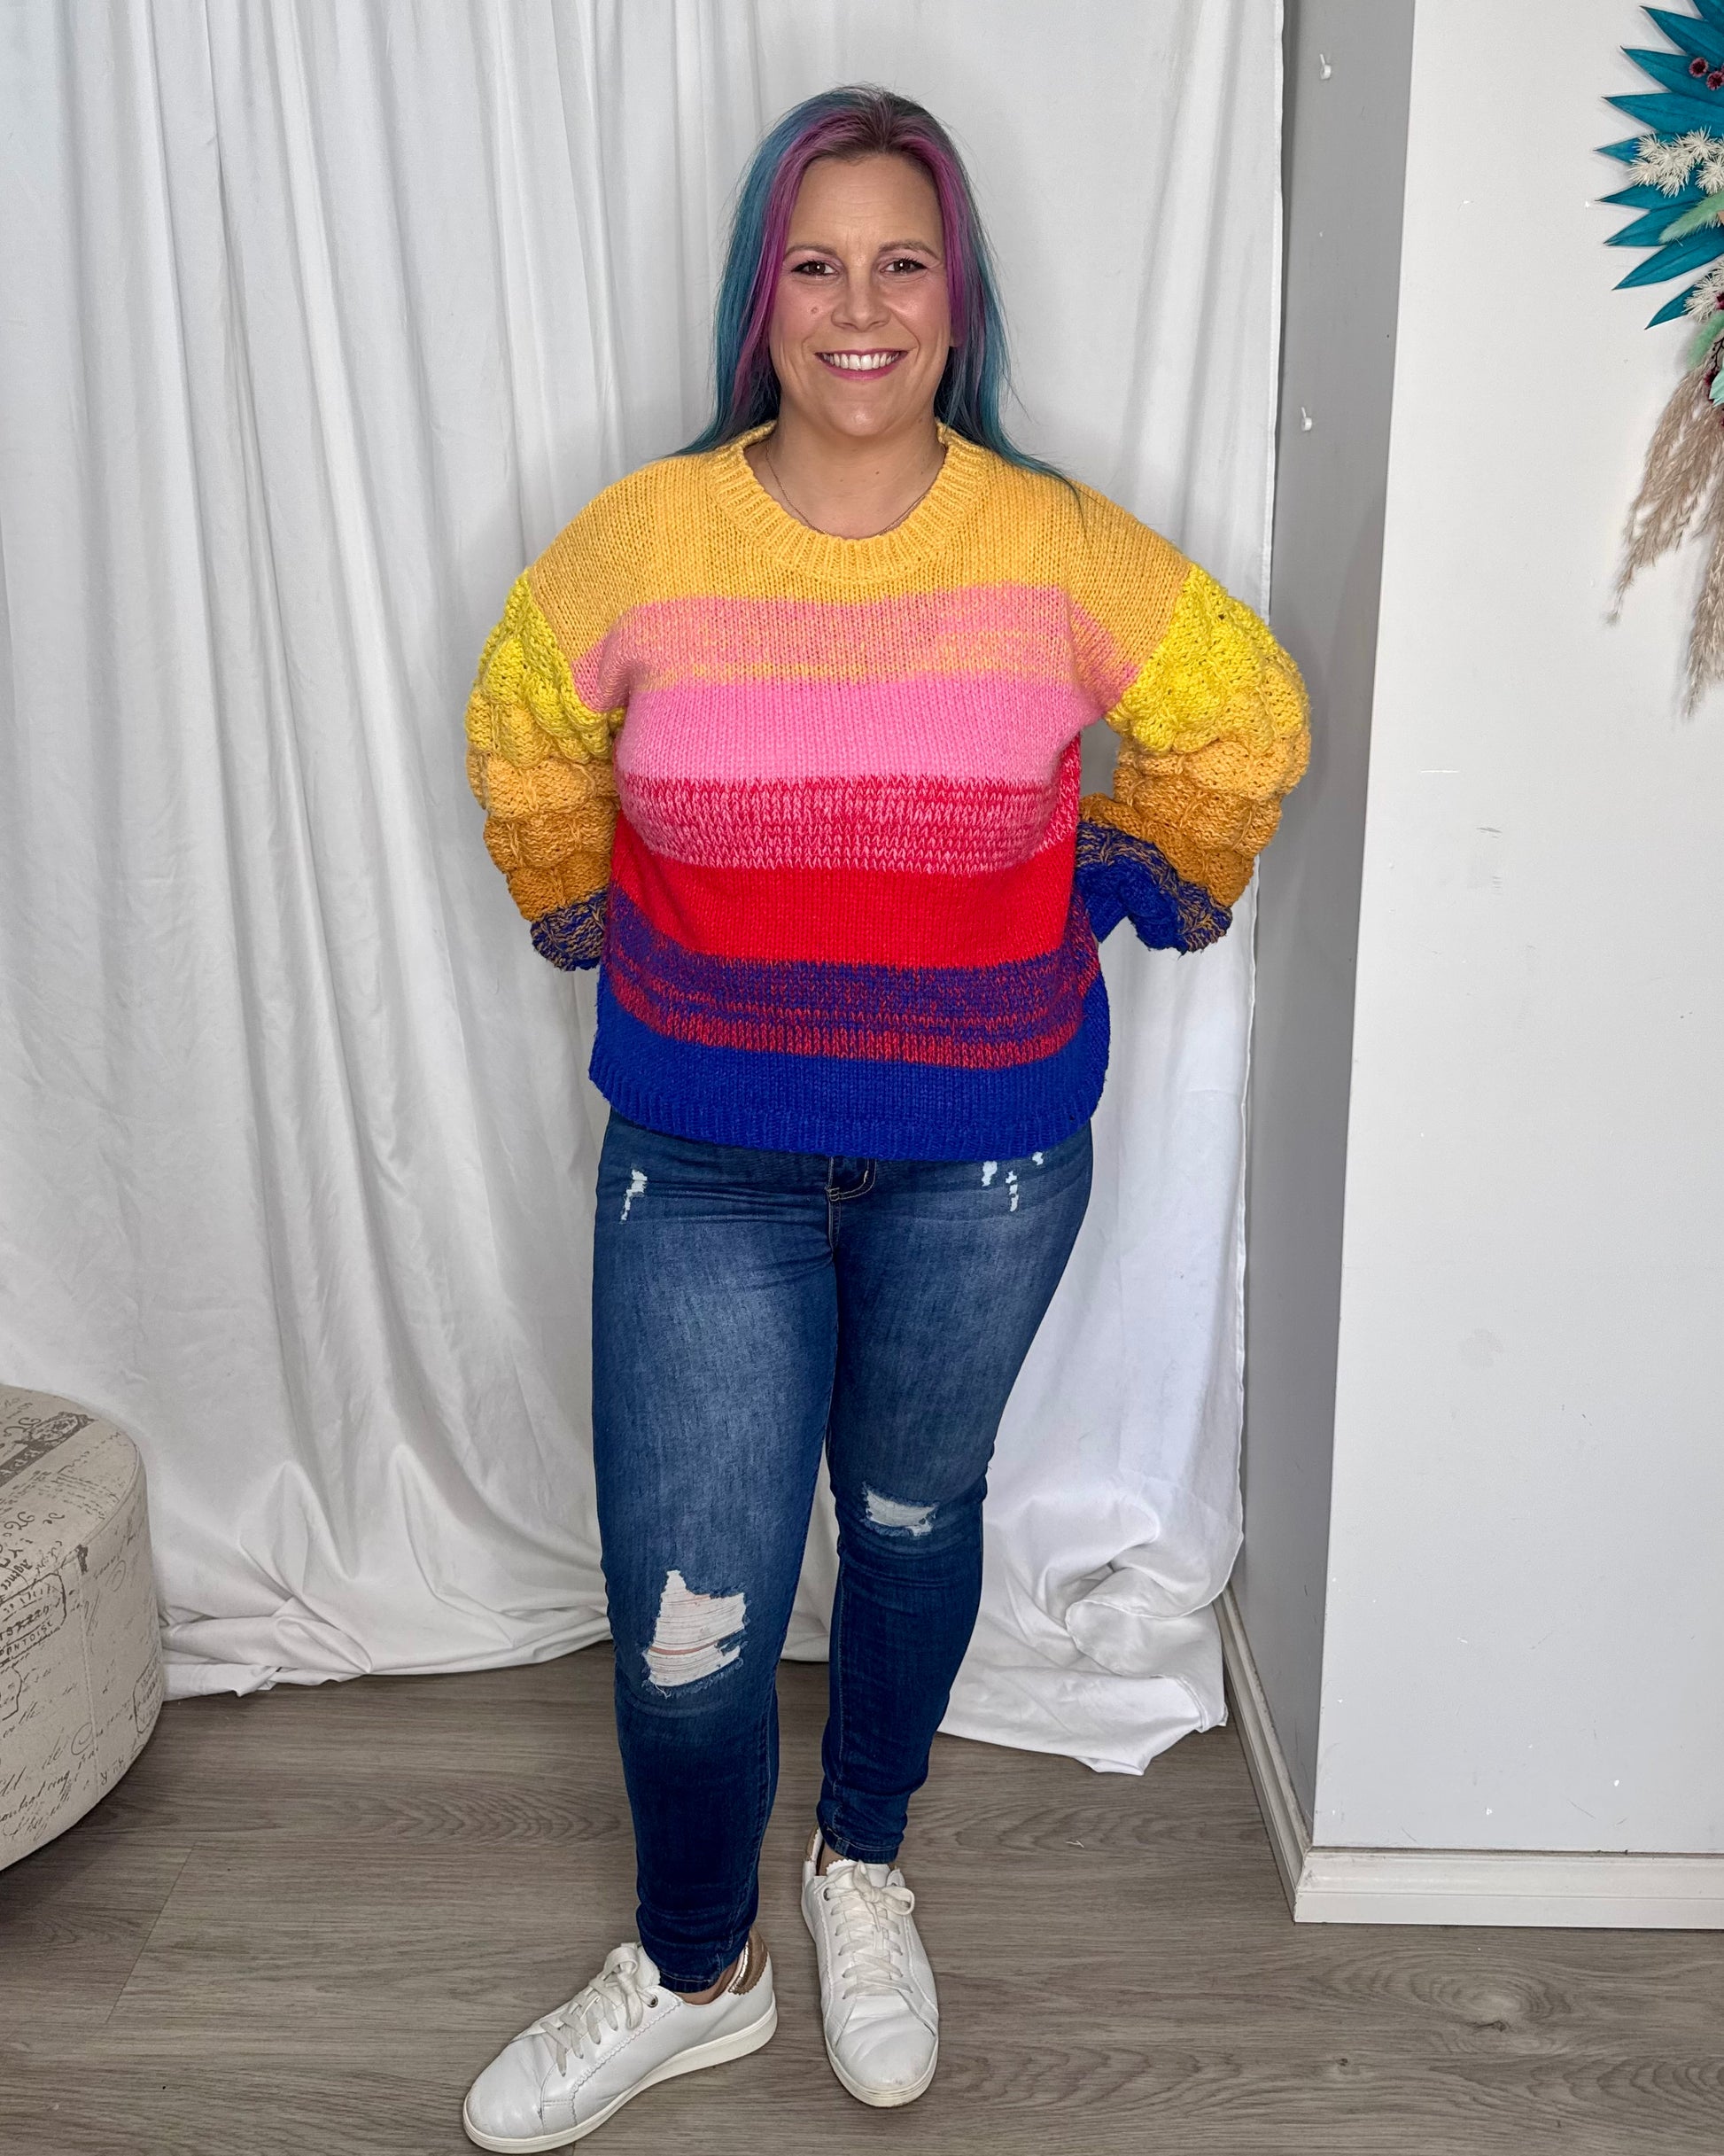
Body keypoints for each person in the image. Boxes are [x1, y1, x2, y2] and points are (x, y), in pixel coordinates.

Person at [458, 83, 1308, 2151]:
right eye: (816, 265)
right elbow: (520, 727)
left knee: (914, 1523)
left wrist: (1118, 873)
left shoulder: (1052, 545)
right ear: (761, 301)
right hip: (701, 1157)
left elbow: (1244, 716)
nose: (860, 308)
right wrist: (589, 902)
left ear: (956, 296)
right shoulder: (642, 539)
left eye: (899, 263)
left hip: (984, 1157)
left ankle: (859, 1863)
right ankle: (696, 1969)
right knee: (690, 1601)